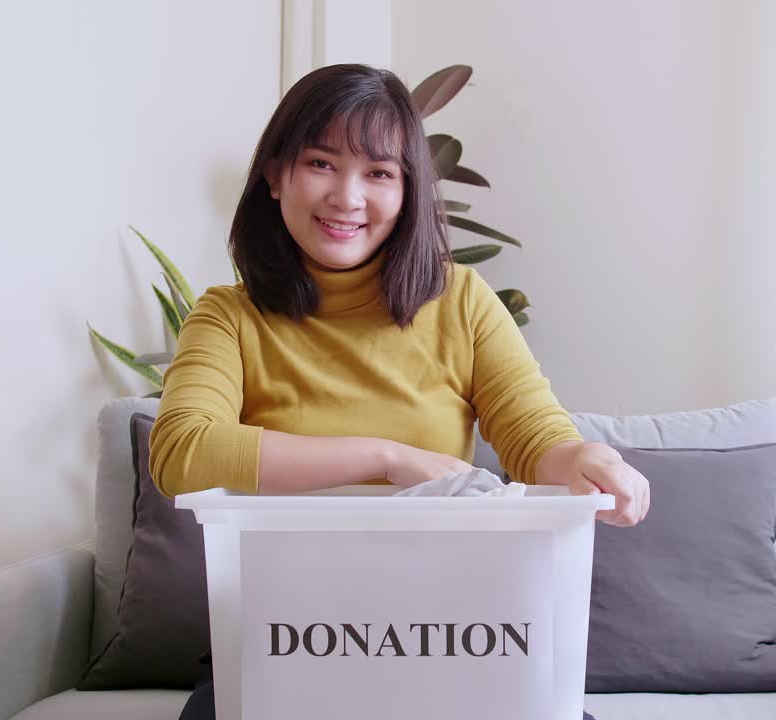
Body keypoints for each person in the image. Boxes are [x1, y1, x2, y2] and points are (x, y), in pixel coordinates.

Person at [150, 63, 647, 720]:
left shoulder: (461, 300)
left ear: (409, 190)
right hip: (285, 638)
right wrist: (386, 459)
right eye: (322, 163)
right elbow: (182, 451)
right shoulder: (227, 318)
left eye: (379, 173)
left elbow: (533, 435)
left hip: (452, 636)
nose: (347, 197)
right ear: (276, 176)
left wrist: (588, 460)